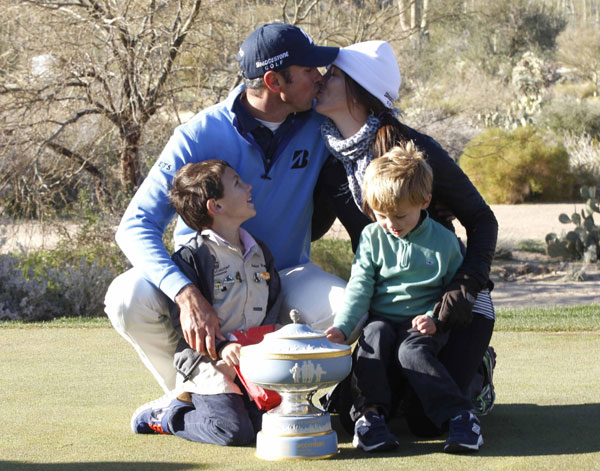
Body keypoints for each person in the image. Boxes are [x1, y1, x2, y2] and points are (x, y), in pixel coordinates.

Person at [104, 22, 346, 427]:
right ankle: (185, 398)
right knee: (127, 296)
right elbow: (135, 225)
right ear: (273, 80)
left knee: (344, 307)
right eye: (308, 70)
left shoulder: (321, 123)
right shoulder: (199, 133)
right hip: (205, 289)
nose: (318, 78)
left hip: (284, 279)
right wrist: (184, 293)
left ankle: (276, 401)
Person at [315, 40, 498, 435]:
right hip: (390, 309)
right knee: (353, 413)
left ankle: (477, 370)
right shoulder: (330, 162)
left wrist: (464, 287)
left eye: (333, 75)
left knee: (425, 423)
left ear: (358, 89)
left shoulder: (414, 156)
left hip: (452, 301)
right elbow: (312, 230)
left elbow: (482, 220)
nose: (320, 80)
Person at [325, 144, 483, 453]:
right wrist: (343, 328)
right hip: (381, 319)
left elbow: (454, 292)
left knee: (412, 351)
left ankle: (461, 417)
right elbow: (360, 287)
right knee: (372, 339)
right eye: (381, 215)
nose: (390, 224)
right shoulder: (372, 237)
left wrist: (436, 318)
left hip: (423, 323)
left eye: (399, 216)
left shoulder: (446, 242)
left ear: (424, 202)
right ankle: (370, 419)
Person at [131, 160, 280, 445]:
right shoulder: (192, 258)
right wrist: (223, 348)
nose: (248, 187)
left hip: (250, 360)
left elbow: (272, 303)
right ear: (216, 206)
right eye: (237, 183)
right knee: (234, 430)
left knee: (270, 425)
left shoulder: (261, 251)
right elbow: (188, 324)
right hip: (207, 360)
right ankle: (167, 415)